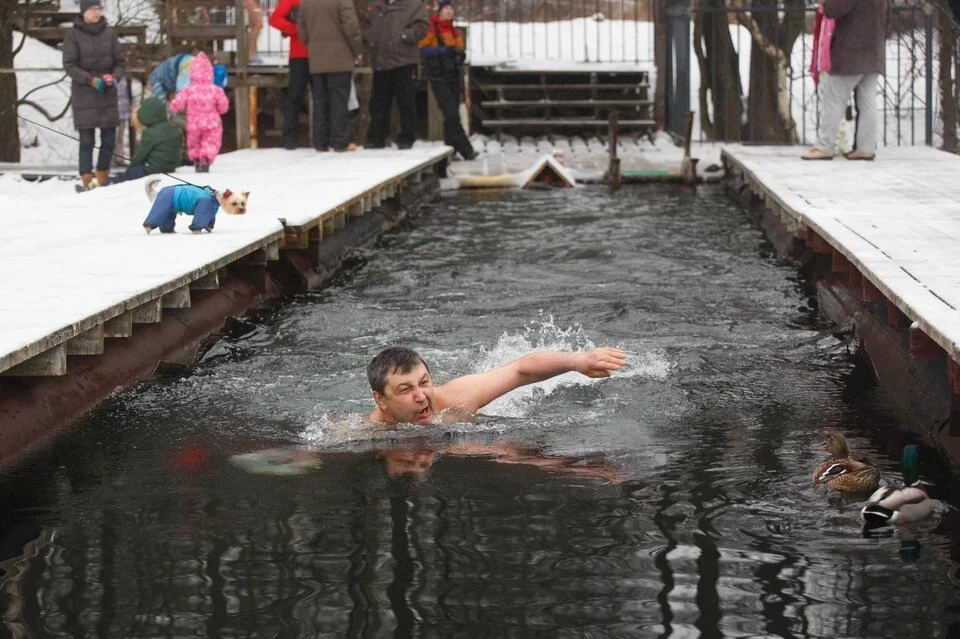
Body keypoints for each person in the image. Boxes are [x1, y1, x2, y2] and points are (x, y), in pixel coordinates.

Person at [367, 346, 627, 426]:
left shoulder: (455, 399)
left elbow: (519, 370)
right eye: (405, 389)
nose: (421, 396)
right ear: (381, 400)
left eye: (424, 383)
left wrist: (577, 360)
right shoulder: (367, 431)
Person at [801, 0, 887, 161]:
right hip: (873, 52)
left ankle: (824, 146)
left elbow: (833, 10)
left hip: (850, 54)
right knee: (867, 103)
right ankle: (866, 148)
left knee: (834, 100)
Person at [63, 0, 126, 190]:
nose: (97, 12)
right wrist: (90, 80)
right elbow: (69, 65)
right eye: (93, 9)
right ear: (83, 12)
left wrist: (115, 77)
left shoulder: (110, 33)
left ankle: (102, 176)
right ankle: (86, 178)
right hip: (84, 94)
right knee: (86, 140)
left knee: (108, 139)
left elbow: (120, 62)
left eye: (99, 8)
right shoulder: (72, 35)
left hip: (107, 94)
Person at [362, 0, 429, 149]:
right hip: (380, 61)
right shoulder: (376, 5)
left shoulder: (413, 4)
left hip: (404, 61)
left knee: (406, 102)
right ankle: (376, 137)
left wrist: (406, 36)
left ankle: (407, 137)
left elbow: (422, 26)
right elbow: (366, 25)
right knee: (378, 103)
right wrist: (370, 37)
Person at [297, 0, 363, 152]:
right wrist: (356, 50)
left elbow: (302, 30)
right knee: (339, 100)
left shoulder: (306, 3)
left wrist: (311, 47)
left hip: (317, 58)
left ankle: (320, 141)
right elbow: (351, 28)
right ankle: (340, 140)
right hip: (340, 57)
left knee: (320, 100)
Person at [418, 0, 476, 160]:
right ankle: (466, 149)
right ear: (440, 11)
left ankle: (451, 147)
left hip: (453, 76)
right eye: (446, 9)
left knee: (452, 114)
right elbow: (422, 50)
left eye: (451, 8)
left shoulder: (455, 31)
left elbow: (459, 50)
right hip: (438, 77)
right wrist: (443, 51)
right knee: (450, 113)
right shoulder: (431, 28)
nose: (449, 11)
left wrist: (459, 54)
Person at [168, 52, 230, 172]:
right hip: (211, 122)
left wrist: (173, 107)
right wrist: (220, 110)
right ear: (210, 73)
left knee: (194, 142)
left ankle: (196, 159)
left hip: (193, 122)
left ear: (192, 73)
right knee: (211, 141)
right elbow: (223, 106)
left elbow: (178, 103)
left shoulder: (189, 90)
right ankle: (206, 157)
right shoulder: (216, 90)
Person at [101, 97, 184, 185]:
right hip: (171, 167)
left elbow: (140, 156)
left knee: (130, 174)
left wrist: (131, 167)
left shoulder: (150, 133)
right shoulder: (175, 129)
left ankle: (108, 183)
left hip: (152, 169)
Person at [269, 0, 309, 149]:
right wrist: (295, 30)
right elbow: (275, 19)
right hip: (301, 54)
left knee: (318, 97)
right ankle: (291, 139)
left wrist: (294, 30)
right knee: (295, 97)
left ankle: (319, 138)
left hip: (313, 53)